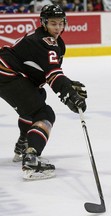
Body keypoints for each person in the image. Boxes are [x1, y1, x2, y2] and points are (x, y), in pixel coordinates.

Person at [0, 4, 87, 180]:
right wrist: (69, 94)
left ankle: (24, 142)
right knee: (44, 113)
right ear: (44, 23)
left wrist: (68, 85)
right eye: (53, 23)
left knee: (38, 96)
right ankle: (31, 158)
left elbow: (45, 73)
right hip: (7, 74)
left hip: (8, 72)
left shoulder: (48, 40)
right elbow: (53, 75)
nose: (57, 27)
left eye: (60, 23)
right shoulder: (47, 43)